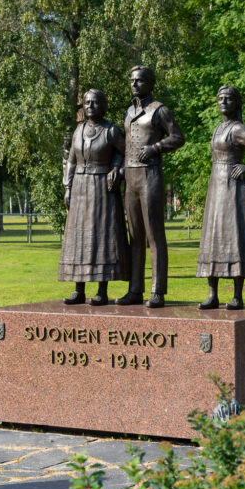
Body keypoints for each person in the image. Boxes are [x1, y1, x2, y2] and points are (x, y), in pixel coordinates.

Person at [115, 66, 185, 308]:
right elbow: (125, 146)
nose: (134, 84)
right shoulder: (128, 111)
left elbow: (178, 137)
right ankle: (135, 290)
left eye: (140, 80)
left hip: (150, 176)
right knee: (134, 236)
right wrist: (120, 170)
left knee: (154, 236)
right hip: (131, 178)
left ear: (150, 83)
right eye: (132, 80)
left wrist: (155, 148)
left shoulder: (159, 110)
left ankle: (157, 291)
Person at [196, 85, 245, 310]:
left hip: (232, 187)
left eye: (229, 98)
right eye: (220, 98)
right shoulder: (219, 128)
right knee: (213, 237)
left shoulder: (236, 129)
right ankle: (213, 294)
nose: (224, 102)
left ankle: (237, 295)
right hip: (216, 186)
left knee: (236, 236)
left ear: (237, 103)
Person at [59, 89, 129, 305]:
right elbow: (71, 159)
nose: (90, 106)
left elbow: (128, 154)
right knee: (79, 238)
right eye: (87, 103)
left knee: (101, 237)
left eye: (95, 102)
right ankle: (79, 289)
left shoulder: (111, 130)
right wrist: (67, 186)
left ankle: (102, 290)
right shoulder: (78, 130)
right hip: (79, 187)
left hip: (102, 190)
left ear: (103, 105)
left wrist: (117, 170)